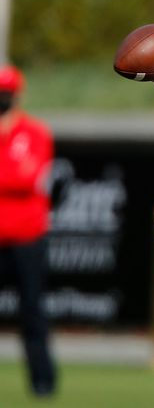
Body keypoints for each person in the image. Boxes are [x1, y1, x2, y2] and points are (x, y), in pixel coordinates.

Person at [0, 64, 56, 397]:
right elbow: (16, 175)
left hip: (27, 238)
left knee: (33, 313)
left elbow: (29, 177)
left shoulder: (35, 132)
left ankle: (43, 382)